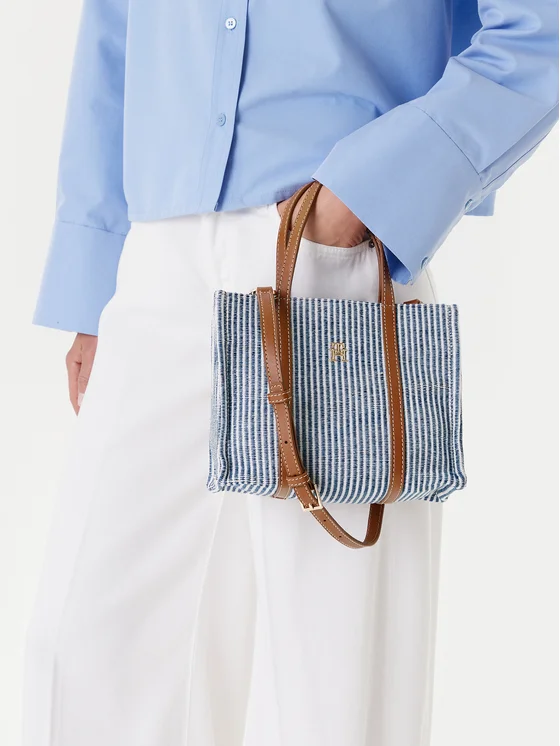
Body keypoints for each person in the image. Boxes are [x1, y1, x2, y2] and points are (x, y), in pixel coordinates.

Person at [24, 2, 558, 745]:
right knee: (87, 646)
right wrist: (94, 267)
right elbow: (116, 24)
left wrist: (369, 193)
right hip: (156, 255)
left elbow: (542, 28)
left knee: (329, 679)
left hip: (331, 260)